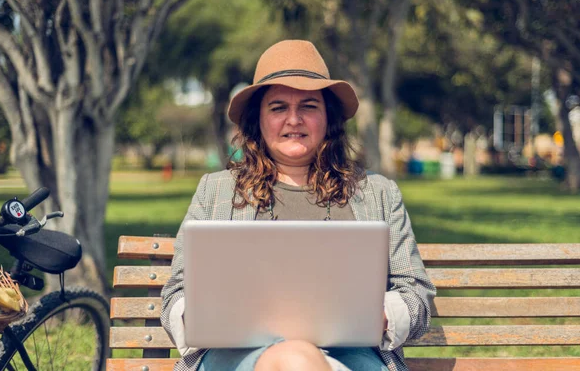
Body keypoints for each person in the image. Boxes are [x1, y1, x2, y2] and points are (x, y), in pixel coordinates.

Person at [161, 40, 436, 371]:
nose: (294, 120)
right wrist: (199, 315)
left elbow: (416, 295)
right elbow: (176, 295)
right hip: (236, 358)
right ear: (257, 120)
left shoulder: (378, 194)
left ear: (328, 118)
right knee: (295, 360)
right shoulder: (215, 191)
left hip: (353, 359)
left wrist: (378, 316)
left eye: (308, 106)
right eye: (278, 108)